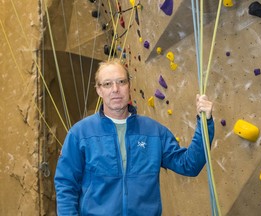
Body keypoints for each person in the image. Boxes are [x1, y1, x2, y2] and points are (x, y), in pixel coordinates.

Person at [54, 58, 214, 216]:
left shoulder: (153, 132)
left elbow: (189, 165)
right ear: (99, 90)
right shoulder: (80, 134)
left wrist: (205, 123)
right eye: (107, 84)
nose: (115, 89)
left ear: (129, 85)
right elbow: (66, 184)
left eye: (121, 82)